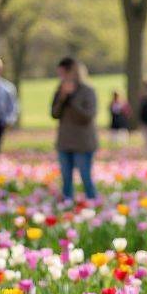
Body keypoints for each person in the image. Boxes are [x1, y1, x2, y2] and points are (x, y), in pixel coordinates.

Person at [51, 58, 98, 200]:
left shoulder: (87, 91)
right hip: (65, 142)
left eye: (64, 73)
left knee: (85, 177)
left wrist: (71, 99)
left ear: (73, 72)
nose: (62, 77)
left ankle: (93, 203)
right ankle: (67, 205)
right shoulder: (60, 90)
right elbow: (55, 113)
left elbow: (87, 116)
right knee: (66, 179)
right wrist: (62, 98)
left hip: (83, 143)